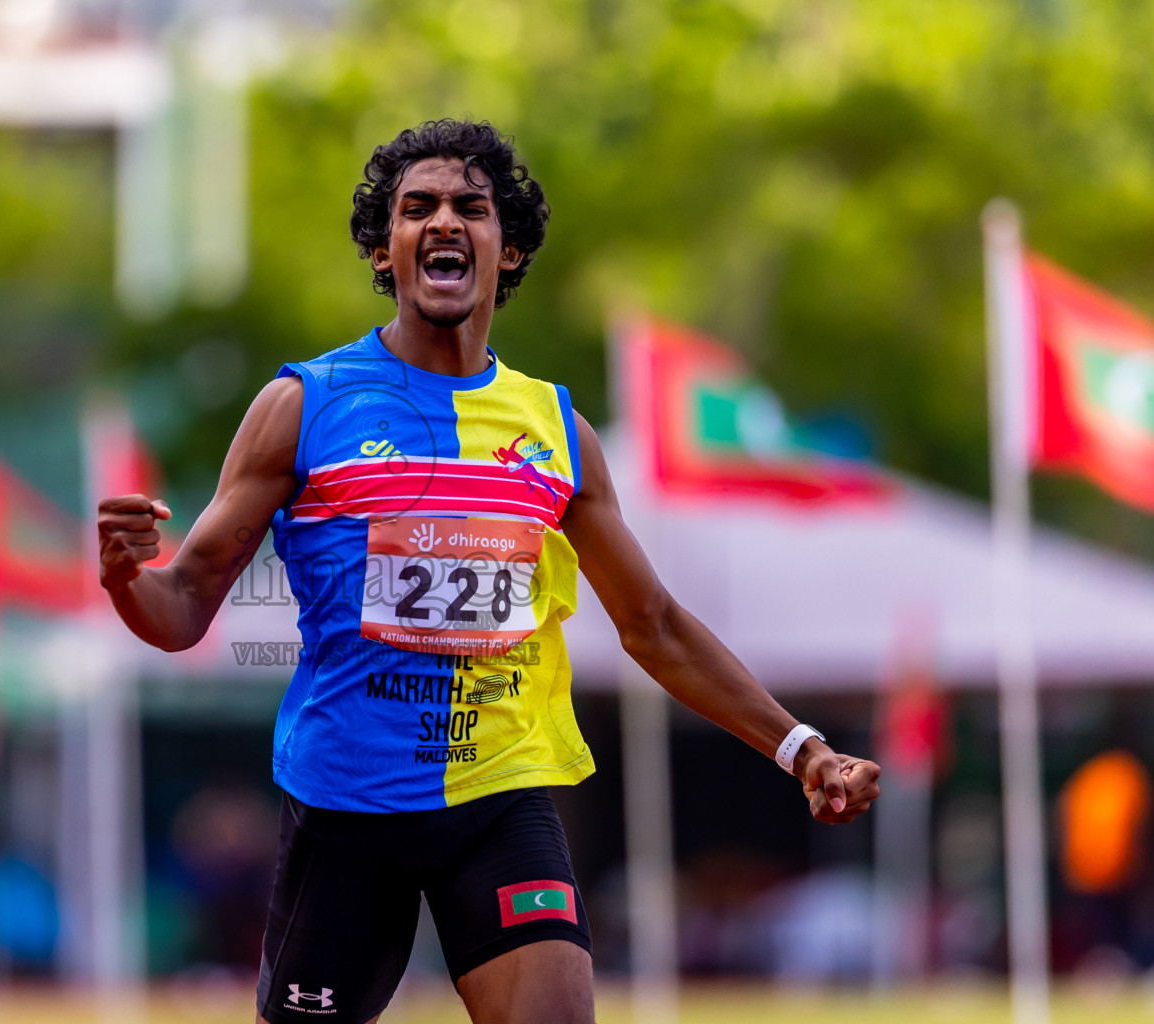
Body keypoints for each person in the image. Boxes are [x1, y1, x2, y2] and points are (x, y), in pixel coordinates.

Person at [97, 119, 882, 1024]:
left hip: (498, 797)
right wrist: (127, 577)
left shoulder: (555, 431)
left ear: (507, 251)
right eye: (415, 208)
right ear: (382, 249)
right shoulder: (303, 406)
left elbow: (654, 625)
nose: (443, 222)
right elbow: (185, 604)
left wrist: (802, 748)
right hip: (349, 804)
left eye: (471, 208)